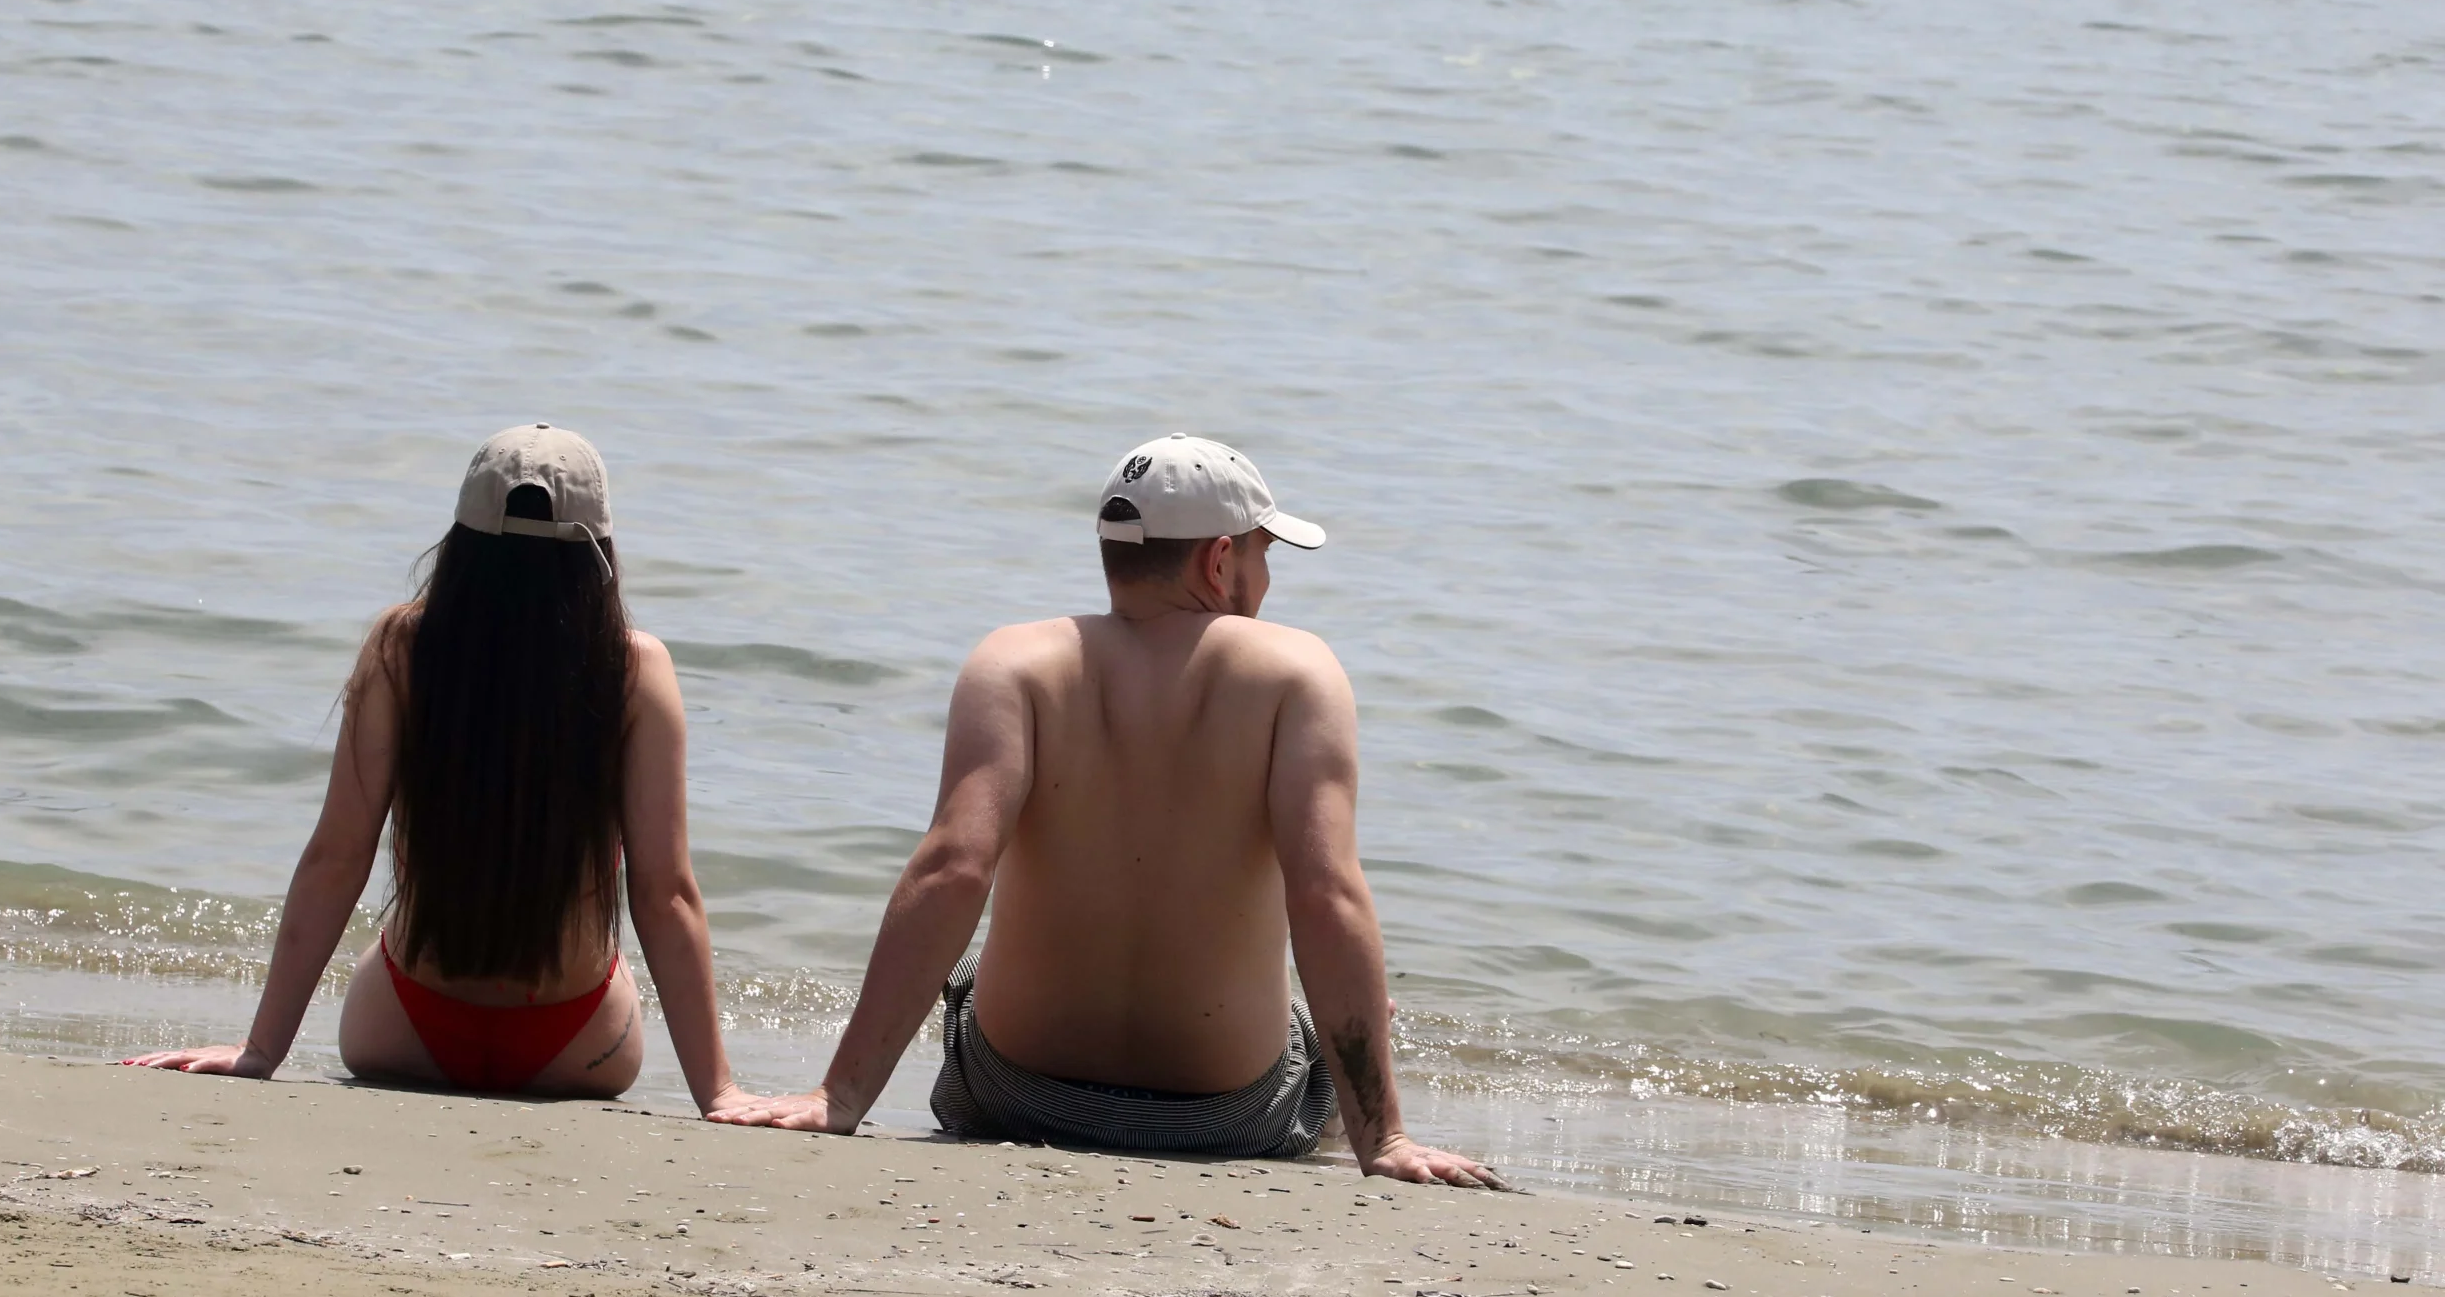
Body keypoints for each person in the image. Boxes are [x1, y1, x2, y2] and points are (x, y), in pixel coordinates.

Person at [727, 434, 1503, 1185]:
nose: (1267, 580)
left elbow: (952, 869)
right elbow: (1327, 893)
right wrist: (1385, 1138)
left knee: (969, 968)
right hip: (1224, 1116)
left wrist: (839, 1096)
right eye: (1264, 553)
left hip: (1014, 1094)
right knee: (1322, 1015)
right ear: (1219, 560)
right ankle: (1356, 1124)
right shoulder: (1299, 672)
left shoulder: (1013, 662)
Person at [129, 424, 751, 1121]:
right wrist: (718, 1092)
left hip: (402, 1031)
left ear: (462, 539)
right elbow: (666, 895)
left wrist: (260, 1050)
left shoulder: (401, 646)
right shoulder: (635, 669)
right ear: (598, 550)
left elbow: (338, 856)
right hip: (580, 1047)